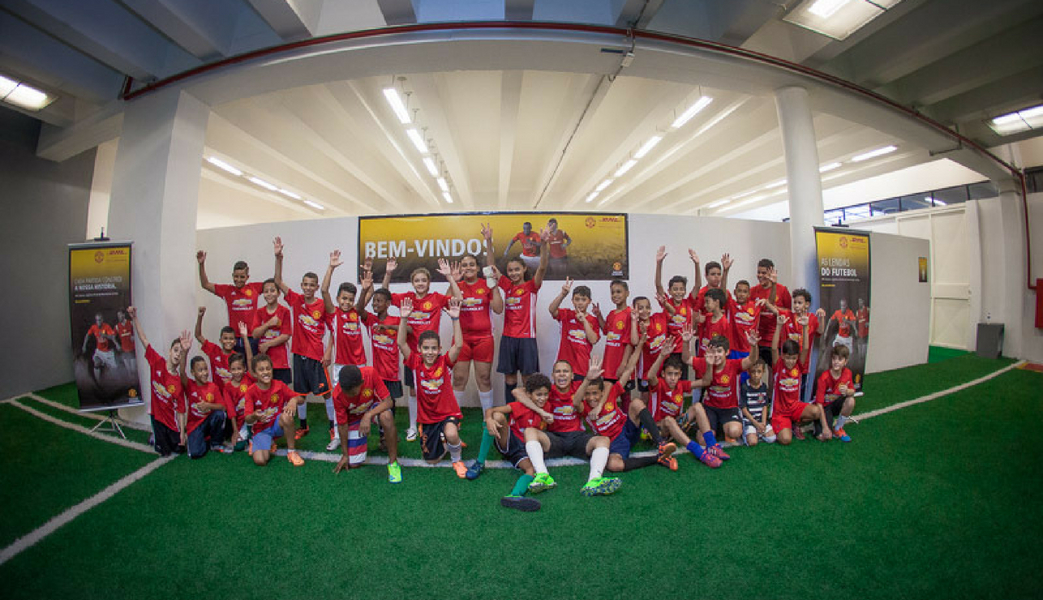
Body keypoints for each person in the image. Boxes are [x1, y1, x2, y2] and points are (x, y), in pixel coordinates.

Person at [500, 359, 624, 497]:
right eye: (558, 371)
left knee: (603, 440)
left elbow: (607, 384)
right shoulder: (548, 390)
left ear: (572, 375)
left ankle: (594, 480)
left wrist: (594, 392)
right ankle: (543, 476)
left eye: (565, 371)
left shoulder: (580, 386)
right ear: (553, 376)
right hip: (555, 438)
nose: (562, 374)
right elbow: (517, 392)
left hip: (577, 436)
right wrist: (541, 412)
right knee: (530, 431)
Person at [575, 336, 677, 473]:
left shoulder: (610, 394)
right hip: (613, 442)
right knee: (614, 465)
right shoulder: (584, 407)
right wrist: (587, 379)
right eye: (587, 394)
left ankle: (661, 443)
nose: (591, 397)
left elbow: (629, 369)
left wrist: (640, 344)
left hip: (627, 429)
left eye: (595, 393)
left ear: (602, 392)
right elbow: (575, 402)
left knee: (636, 403)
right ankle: (659, 458)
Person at [387, 257, 462, 442]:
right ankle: (413, 426)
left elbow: (459, 300)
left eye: (423, 280)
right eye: (417, 280)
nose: (420, 283)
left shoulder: (436, 298)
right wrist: (388, 273)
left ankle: (438, 423)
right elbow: (384, 295)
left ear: (429, 283)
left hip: (432, 355)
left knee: (435, 389)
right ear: (412, 283)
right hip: (412, 355)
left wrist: (449, 277)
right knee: (414, 391)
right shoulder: (407, 299)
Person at [397, 296, 468, 476]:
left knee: (452, 433)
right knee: (431, 461)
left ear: (439, 349)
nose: (430, 352)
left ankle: (456, 458)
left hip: (447, 413)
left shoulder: (445, 362)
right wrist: (404, 318)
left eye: (434, 348)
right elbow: (401, 343)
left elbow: (459, 345)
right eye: (426, 348)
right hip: (427, 418)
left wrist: (455, 319)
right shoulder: (415, 362)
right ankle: (444, 442)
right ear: (419, 349)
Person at [273, 236, 331, 440]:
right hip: (298, 355)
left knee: (326, 393)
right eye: (305, 284)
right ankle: (304, 426)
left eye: (311, 285)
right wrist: (278, 257)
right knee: (300, 394)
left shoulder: (322, 305)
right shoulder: (296, 300)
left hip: (316, 357)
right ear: (301, 285)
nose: (307, 288)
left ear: (316, 287)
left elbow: (334, 330)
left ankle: (333, 426)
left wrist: (328, 352)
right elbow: (278, 281)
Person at [491, 224, 549, 401]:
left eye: (517, 269)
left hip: (526, 339)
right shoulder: (507, 286)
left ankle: (527, 412)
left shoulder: (531, 287)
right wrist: (487, 241)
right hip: (508, 339)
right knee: (509, 379)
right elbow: (491, 268)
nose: (513, 273)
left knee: (527, 380)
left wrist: (544, 244)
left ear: (524, 269)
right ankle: (511, 412)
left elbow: (542, 267)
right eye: (510, 270)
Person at [482, 374, 555, 511]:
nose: (543, 398)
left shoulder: (548, 407)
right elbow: (491, 410)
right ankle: (479, 462)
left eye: (545, 394)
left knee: (531, 470)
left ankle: (515, 495)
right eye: (538, 394)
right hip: (510, 441)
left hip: (523, 450)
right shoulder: (519, 406)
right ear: (528, 395)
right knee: (498, 416)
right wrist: (489, 419)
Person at [320, 250, 369, 450]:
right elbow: (324, 290)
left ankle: (360, 431)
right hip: (340, 366)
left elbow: (365, 296)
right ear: (338, 298)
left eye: (350, 299)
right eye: (344, 299)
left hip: (359, 364)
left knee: (360, 399)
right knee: (338, 399)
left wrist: (365, 285)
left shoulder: (357, 312)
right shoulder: (333, 313)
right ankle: (337, 435)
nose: (347, 302)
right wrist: (331, 268)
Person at [453, 224, 503, 415]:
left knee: (484, 378)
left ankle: (486, 418)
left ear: (477, 268)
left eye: (471, 264)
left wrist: (494, 286)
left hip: (484, 339)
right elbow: (448, 304)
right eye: (464, 265)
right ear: (461, 268)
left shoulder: (486, 284)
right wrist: (453, 281)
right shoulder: (457, 286)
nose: (468, 268)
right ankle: (454, 418)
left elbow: (498, 309)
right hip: (462, 339)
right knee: (459, 379)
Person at [126, 306, 188, 456]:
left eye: (181, 353)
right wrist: (134, 318)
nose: (177, 355)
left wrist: (182, 432)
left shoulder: (178, 380)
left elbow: (181, 410)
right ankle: (155, 436)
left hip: (171, 422)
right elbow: (144, 339)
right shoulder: (157, 362)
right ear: (170, 351)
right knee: (164, 452)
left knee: (179, 449)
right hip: (157, 417)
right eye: (176, 350)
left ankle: (171, 437)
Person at [643, 348, 720, 468]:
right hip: (658, 430)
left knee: (698, 406)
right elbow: (650, 376)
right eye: (669, 374)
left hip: (676, 427)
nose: (673, 378)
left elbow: (706, 381)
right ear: (663, 374)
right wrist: (662, 356)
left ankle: (712, 445)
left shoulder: (681, 385)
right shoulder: (659, 384)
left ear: (680, 375)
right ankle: (699, 452)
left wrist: (709, 365)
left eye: (676, 374)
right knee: (668, 420)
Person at [330, 364, 402, 482]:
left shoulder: (370, 373)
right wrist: (345, 454)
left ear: (362, 383)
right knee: (354, 464)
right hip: (354, 418)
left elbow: (389, 402)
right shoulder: (337, 395)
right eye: (346, 392)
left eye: (352, 393)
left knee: (387, 416)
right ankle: (363, 442)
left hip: (372, 409)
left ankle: (393, 462)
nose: (348, 395)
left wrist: (368, 415)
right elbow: (342, 425)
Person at [357, 269, 403, 447]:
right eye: (374, 300)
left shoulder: (395, 320)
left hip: (393, 372)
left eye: (379, 301)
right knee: (380, 403)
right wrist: (364, 291)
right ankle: (383, 435)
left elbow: (409, 330)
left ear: (388, 304)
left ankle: (389, 431)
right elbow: (359, 309)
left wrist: (388, 328)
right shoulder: (371, 320)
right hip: (377, 373)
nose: (375, 303)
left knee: (391, 403)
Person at [769, 312, 824, 445]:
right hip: (780, 412)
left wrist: (805, 327)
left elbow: (805, 348)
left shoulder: (799, 365)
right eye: (788, 358)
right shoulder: (778, 364)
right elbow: (774, 348)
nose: (790, 361)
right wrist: (779, 326)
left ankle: (796, 424)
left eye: (793, 358)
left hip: (795, 408)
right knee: (785, 440)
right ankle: (782, 424)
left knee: (816, 412)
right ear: (783, 356)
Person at [243, 353, 305, 466]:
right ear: (255, 374)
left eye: (268, 368)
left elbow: (301, 399)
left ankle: (292, 452)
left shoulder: (279, 385)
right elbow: (247, 419)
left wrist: (294, 400)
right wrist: (254, 416)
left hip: (277, 425)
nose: (266, 372)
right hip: (261, 430)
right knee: (261, 460)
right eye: (261, 370)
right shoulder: (250, 391)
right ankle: (267, 442)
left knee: (286, 416)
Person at [196, 251, 263, 353]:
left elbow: (275, 282)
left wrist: (278, 257)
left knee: (252, 363)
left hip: (252, 338)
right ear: (232, 275)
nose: (238, 280)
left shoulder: (255, 288)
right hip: (233, 339)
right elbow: (205, 284)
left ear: (247, 277)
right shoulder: (227, 291)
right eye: (236, 276)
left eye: (242, 277)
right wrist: (201, 264)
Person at [653, 246, 702, 373]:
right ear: (669, 291)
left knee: (682, 379)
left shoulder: (688, 303)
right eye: (675, 289)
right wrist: (659, 263)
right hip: (668, 349)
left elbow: (698, 285)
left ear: (685, 291)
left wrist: (697, 264)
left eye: (681, 289)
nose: (678, 292)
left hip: (683, 350)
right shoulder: (667, 302)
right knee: (669, 378)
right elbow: (658, 285)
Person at [770, 288, 827, 396]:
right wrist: (765, 302)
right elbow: (774, 309)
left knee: (800, 391)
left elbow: (820, 331)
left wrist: (822, 317)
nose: (796, 305)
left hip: (802, 364)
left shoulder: (812, 318)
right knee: (782, 389)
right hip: (785, 362)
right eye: (795, 302)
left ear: (807, 304)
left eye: (799, 303)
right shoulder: (787, 315)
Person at [179, 353, 229, 459]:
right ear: (193, 372)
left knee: (220, 414)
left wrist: (208, 405)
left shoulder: (213, 387)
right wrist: (185, 352)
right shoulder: (190, 385)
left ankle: (215, 443)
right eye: (200, 370)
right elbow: (182, 372)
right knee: (196, 453)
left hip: (208, 421)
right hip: (195, 425)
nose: (205, 373)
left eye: (206, 369)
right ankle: (201, 440)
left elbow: (223, 407)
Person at [548, 279, 599, 380]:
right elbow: (552, 310)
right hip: (563, 366)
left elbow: (593, 340)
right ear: (572, 301)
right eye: (577, 299)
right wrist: (563, 294)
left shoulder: (593, 320)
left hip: (582, 367)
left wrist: (584, 321)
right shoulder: (566, 314)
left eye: (583, 300)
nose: (580, 303)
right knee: (561, 389)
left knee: (580, 390)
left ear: (589, 301)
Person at [250, 278, 292, 385]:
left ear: (278, 293)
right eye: (266, 291)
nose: (269, 294)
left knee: (281, 389)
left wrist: (267, 344)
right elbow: (255, 334)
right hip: (264, 361)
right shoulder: (259, 312)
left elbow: (286, 335)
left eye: (272, 290)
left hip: (281, 360)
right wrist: (268, 324)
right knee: (266, 388)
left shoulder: (284, 311)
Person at [630, 295, 672, 400]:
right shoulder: (637, 327)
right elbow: (634, 341)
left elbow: (673, 313)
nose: (645, 311)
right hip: (645, 370)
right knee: (646, 396)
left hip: (663, 366)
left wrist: (665, 304)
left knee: (663, 393)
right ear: (634, 310)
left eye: (647, 307)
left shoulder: (658, 318)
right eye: (640, 308)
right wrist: (634, 321)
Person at [750, 260, 790, 367]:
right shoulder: (752, 291)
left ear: (771, 273)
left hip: (775, 340)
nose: (760, 275)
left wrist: (774, 309)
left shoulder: (782, 290)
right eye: (758, 272)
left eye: (763, 273)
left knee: (775, 370)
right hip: (758, 339)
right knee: (756, 370)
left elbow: (788, 312)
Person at [814, 344, 857, 442]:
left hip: (836, 403)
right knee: (824, 437)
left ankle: (838, 428)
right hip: (825, 407)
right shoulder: (824, 377)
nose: (836, 362)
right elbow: (819, 404)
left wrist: (847, 391)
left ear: (845, 361)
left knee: (850, 401)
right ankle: (817, 423)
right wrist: (825, 427)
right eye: (834, 358)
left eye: (840, 359)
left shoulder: (847, 373)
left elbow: (852, 391)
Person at [595, 279, 632, 385]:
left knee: (623, 393)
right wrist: (599, 315)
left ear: (627, 293)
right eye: (612, 292)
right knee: (608, 392)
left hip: (621, 364)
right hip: (609, 365)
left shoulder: (630, 314)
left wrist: (624, 364)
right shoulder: (612, 313)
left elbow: (630, 342)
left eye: (618, 292)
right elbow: (606, 331)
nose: (615, 295)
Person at [222, 328, 254, 452]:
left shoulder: (248, 378)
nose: (237, 372)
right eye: (234, 369)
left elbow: (250, 358)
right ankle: (247, 436)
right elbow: (231, 411)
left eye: (239, 369)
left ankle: (254, 437)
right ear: (229, 369)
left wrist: (245, 337)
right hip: (242, 422)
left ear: (244, 368)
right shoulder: (228, 387)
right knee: (238, 446)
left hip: (254, 417)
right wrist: (235, 431)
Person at [193, 306, 237, 385]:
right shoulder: (214, 350)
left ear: (235, 342)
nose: (228, 341)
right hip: (216, 391)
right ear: (220, 340)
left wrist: (231, 383)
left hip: (230, 392)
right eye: (225, 338)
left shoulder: (236, 357)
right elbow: (198, 335)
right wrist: (200, 316)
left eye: (231, 339)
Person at [739, 359, 774, 446]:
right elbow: (743, 408)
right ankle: (748, 434)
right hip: (750, 421)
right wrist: (755, 423)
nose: (756, 375)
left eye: (759, 372)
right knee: (753, 442)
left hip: (760, 419)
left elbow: (764, 406)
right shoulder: (744, 387)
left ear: (763, 372)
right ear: (748, 372)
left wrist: (763, 423)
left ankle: (758, 432)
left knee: (772, 438)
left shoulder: (763, 386)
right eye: (753, 372)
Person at [82, 312, 117, 381]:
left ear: (102, 320)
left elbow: (112, 337)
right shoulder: (93, 327)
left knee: (114, 370)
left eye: (100, 320)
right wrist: (84, 345)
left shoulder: (107, 327)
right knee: (96, 363)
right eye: (97, 320)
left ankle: (114, 381)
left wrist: (105, 335)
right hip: (99, 351)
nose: (98, 322)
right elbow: (87, 335)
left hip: (108, 352)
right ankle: (99, 382)